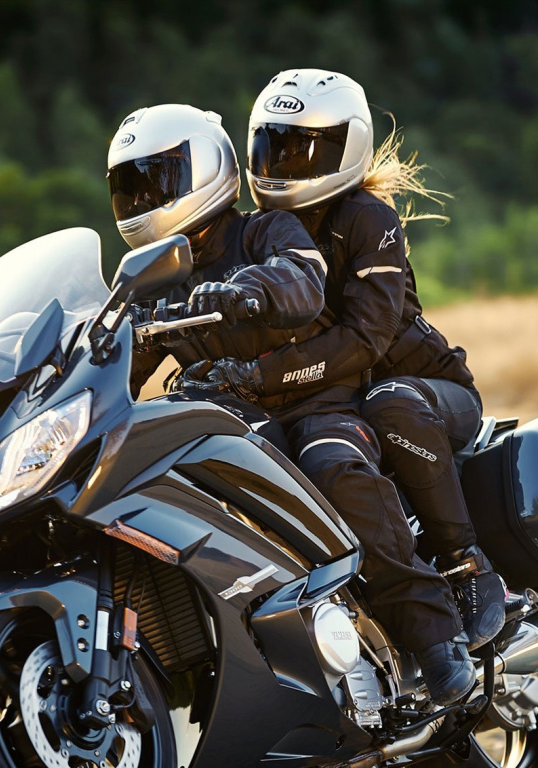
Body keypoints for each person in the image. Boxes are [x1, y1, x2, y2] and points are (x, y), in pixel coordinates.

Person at [107, 104, 475, 705]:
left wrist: (248, 292)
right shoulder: (153, 275)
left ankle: (436, 639)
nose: (144, 197)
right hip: (230, 418)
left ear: (206, 168)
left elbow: (301, 280)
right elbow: (122, 359)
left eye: (158, 179)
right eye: (131, 186)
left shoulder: (266, 230)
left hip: (318, 404)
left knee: (337, 471)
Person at [230, 69, 506, 651]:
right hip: (347, 398)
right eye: (272, 146)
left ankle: (466, 564)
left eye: (303, 149)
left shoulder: (367, 219)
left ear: (347, 147)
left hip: (426, 389)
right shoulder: (257, 232)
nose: (283, 164)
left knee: (392, 403)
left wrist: (266, 375)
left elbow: (366, 341)